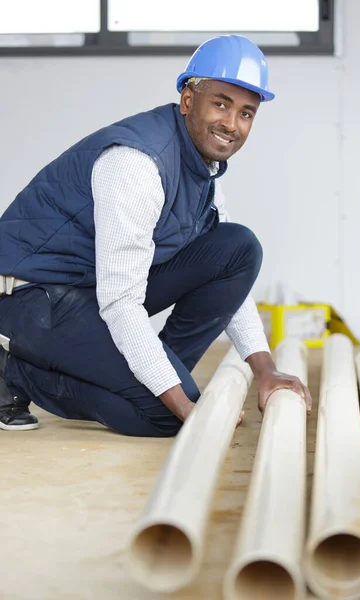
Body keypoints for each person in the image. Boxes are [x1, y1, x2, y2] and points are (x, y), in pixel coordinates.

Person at [0, 34, 312, 434]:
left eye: (246, 113)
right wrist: (181, 404)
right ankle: (15, 370)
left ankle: (150, 376)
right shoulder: (137, 165)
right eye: (221, 103)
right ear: (187, 99)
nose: (231, 124)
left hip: (84, 289)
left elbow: (227, 266)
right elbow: (120, 300)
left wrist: (264, 368)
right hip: (28, 296)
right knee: (165, 413)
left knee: (237, 247)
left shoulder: (202, 170)